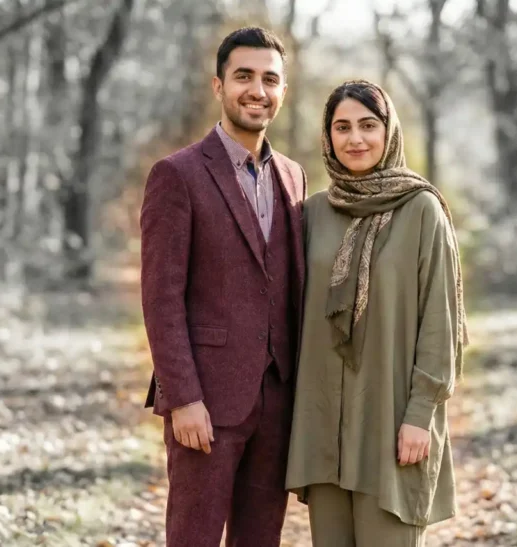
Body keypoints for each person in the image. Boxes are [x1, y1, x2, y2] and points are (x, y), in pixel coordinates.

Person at [139, 26, 308, 547]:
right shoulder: (178, 175)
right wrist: (183, 398)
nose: (257, 90)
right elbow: (160, 298)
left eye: (269, 79)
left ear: (282, 91)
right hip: (205, 403)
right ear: (219, 86)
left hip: (278, 400)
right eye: (244, 76)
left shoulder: (294, 176)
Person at [285, 79, 468, 546]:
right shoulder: (311, 215)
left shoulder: (423, 210)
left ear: (390, 132)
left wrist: (421, 414)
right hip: (323, 424)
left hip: (391, 421)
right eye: (342, 127)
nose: (355, 139)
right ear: (327, 138)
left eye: (369, 125)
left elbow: (441, 322)